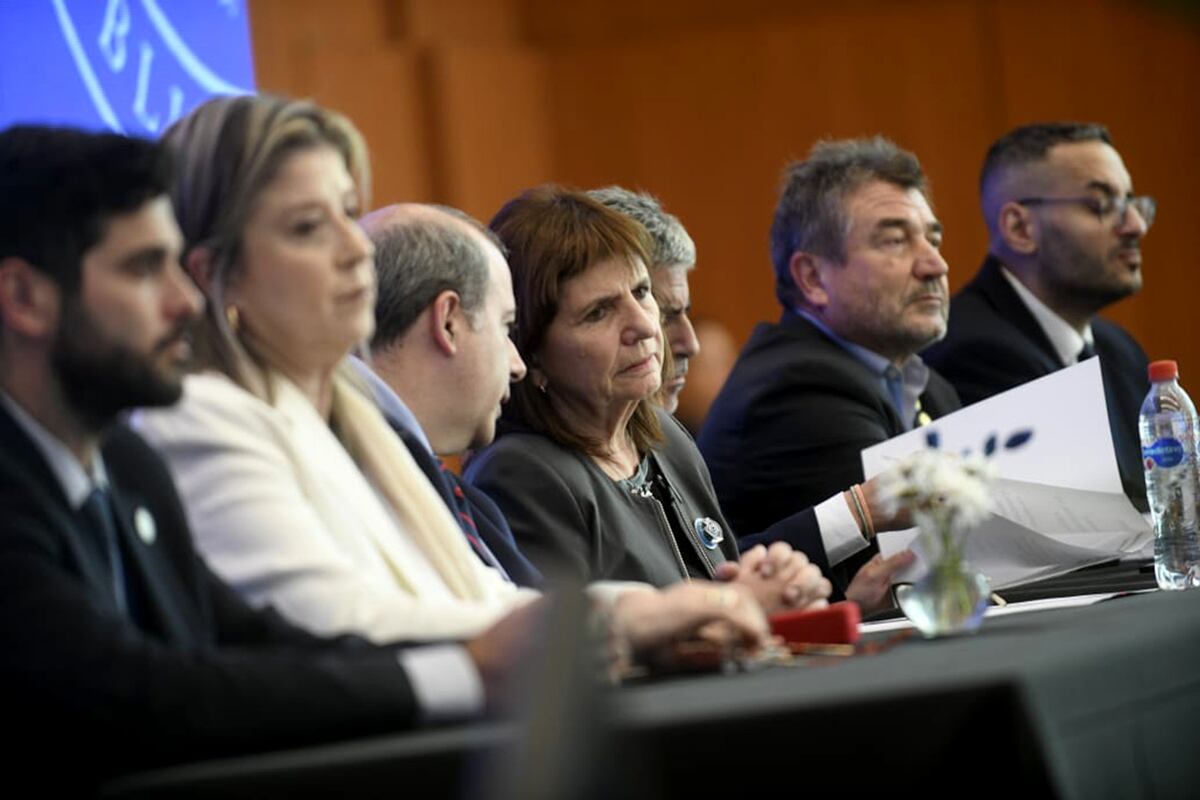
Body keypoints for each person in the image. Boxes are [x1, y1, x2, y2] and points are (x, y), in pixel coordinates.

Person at [133, 95, 773, 654]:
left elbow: (486, 596)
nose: (355, 246)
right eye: (307, 226)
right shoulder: (202, 420)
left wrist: (645, 620)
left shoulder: (344, 417)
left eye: (348, 210)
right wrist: (622, 623)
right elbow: (337, 626)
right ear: (210, 273)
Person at [0, 124, 537, 787]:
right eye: (142, 269)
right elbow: (134, 692)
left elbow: (260, 638)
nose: (185, 301)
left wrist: (496, 653)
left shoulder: (129, 466)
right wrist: (465, 668)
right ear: (25, 298)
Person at [465, 185, 918, 612]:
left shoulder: (664, 438)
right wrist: (741, 608)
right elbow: (587, 666)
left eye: (641, 293)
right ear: (532, 354)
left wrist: (843, 609)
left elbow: (716, 592)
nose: (644, 325)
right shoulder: (520, 476)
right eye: (598, 312)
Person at [697, 137, 960, 590]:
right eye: (895, 240)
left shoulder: (928, 384)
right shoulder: (799, 391)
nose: (934, 264)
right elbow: (922, 560)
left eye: (933, 239)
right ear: (814, 278)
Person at [922, 123, 1151, 509]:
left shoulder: (1120, 348)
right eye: (1101, 204)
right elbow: (1097, 524)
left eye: (1132, 202)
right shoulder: (975, 352)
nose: (1135, 225)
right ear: (1019, 227)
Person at [360, 202, 542, 587]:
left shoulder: (470, 504)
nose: (518, 365)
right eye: (506, 326)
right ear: (448, 322)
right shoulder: (354, 478)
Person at [587, 187, 699, 416]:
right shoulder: (521, 452)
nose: (691, 345)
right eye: (663, 316)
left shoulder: (674, 441)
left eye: (685, 312)